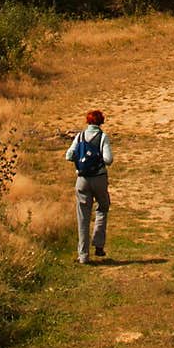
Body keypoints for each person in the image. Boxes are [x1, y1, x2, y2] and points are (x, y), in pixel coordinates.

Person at [65, 109, 113, 264]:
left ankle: (83, 255)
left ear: (87, 121)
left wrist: (82, 158)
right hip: (99, 179)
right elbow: (108, 159)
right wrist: (96, 156)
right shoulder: (102, 137)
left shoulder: (79, 136)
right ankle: (98, 244)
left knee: (83, 217)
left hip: (82, 179)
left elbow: (69, 156)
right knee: (102, 208)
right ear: (101, 122)